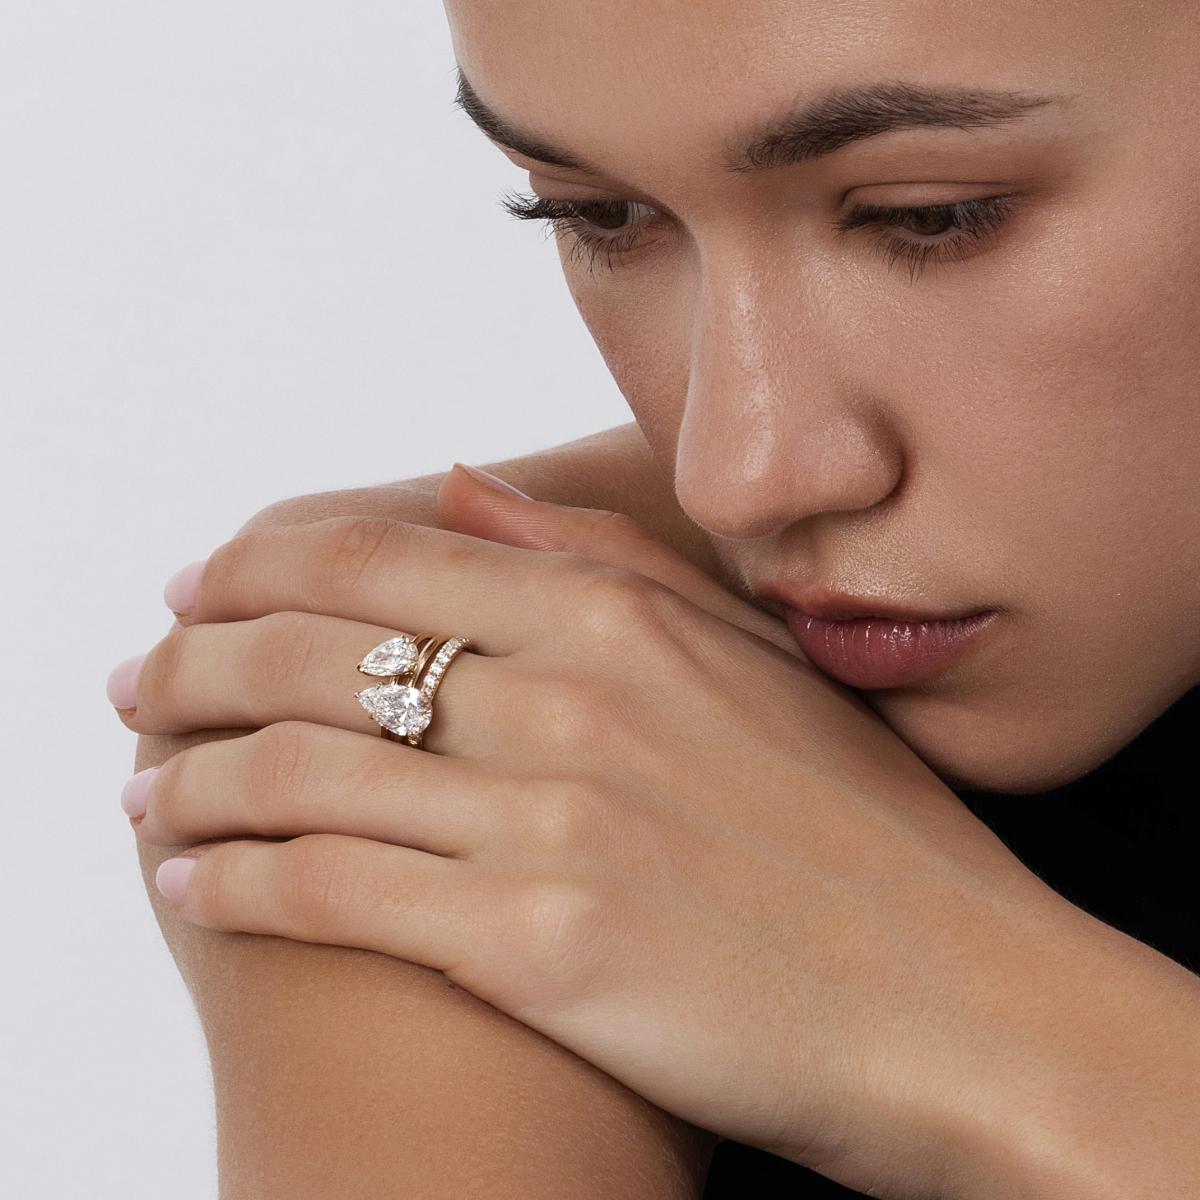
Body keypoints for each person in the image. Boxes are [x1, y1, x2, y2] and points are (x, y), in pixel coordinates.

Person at [110, 1, 1200, 1195]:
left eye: (930, 217)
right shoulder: (473, 671)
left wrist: (997, 1035)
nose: (742, 472)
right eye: (600, 214)